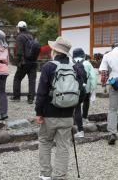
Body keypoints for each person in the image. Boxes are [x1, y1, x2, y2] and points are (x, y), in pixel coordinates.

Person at [35, 37, 84, 180]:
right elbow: (81, 91)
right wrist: (74, 107)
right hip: (68, 115)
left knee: (45, 141)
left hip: (49, 114)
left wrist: (39, 112)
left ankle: (45, 174)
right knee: (63, 146)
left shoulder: (48, 67)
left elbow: (41, 92)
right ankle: (60, 176)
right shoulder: (75, 67)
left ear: (55, 50)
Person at [72, 48, 97, 138]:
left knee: (76, 107)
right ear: (83, 55)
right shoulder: (87, 63)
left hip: (74, 89)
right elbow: (93, 77)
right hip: (85, 88)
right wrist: (93, 90)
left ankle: (76, 123)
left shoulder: (71, 63)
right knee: (86, 101)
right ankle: (84, 118)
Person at [10, 21, 37, 104]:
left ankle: (16, 97)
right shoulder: (30, 36)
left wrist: (19, 62)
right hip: (33, 62)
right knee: (32, 80)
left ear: (19, 28)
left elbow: (19, 51)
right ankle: (31, 98)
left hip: (24, 62)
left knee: (17, 79)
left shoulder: (20, 37)